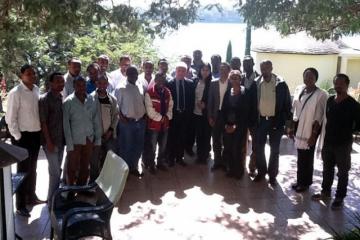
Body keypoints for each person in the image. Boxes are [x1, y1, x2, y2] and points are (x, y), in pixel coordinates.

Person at [312, 74, 360, 210]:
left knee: (343, 172)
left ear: (347, 85)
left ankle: (340, 197)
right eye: (336, 83)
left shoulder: (353, 104)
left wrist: (348, 131)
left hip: (343, 144)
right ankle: (325, 192)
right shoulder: (330, 100)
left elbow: (358, 125)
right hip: (328, 142)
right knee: (327, 169)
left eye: (341, 83)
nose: (338, 85)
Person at [6, 64, 44, 217]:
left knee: (33, 169)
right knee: (22, 171)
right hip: (22, 137)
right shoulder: (16, 93)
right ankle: (20, 205)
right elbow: (10, 118)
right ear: (21, 76)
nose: (32, 75)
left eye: (33, 73)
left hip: (35, 135)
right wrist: (18, 137)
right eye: (28, 73)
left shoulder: (36, 89)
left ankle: (31, 197)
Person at [253, 60, 291, 185]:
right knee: (259, 148)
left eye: (266, 68)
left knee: (275, 150)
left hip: (276, 121)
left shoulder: (281, 83)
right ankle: (261, 172)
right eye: (262, 68)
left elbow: (287, 104)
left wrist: (286, 123)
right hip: (261, 121)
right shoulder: (257, 82)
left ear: (271, 68)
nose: (264, 71)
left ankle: (272, 175)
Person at [290, 68, 327, 192]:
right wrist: (291, 127)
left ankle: (305, 183)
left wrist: (313, 135)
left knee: (307, 157)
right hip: (299, 127)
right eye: (306, 76)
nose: (308, 79)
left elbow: (319, 116)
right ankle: (300, 180)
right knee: (300, 156)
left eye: (311, 77)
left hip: (311, 130)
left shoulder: (321, 94)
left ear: (316, 78)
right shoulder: (300, 89)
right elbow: (295, 109)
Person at [63, 77, 101, 186]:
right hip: (75, 140)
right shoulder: (68, 102)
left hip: (88, 139)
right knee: (72, 167)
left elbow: (96, 120)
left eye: (83, 85)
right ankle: (70, 190)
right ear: (74, 86)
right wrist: (69, 145)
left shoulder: (91, 100)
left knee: (85, 166)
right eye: (78, 85)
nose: (81, 88)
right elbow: (66, 125)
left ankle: (81, 188)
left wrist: (97, 139)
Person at [39, 72, 65, 206]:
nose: (61, 83)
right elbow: (43, 122)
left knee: (56, 170)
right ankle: (53, 202)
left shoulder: (61, 97)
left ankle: (53, 197)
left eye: (62, 81)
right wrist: (48, 142)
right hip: (51, 142)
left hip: (61, 141)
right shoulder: (44, 99)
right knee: (55, 173)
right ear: (51, 83)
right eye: (58, 81)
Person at [222, 70, 254, 179]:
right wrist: (226, 125)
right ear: (230, 80)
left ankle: (239, 171)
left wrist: (236, 125)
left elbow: (246, 111)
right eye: (232, 78)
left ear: (240, 80)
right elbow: (224, 110)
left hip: (240, 126)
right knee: (229, 148)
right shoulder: (227, 92)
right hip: (228, 125)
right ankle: (231, 169)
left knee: (237, 149)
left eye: (237, 78)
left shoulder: (246, 93)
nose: (235, 80)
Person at [114, 66, 146, 177]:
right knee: (126, 147)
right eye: (131, 74)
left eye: (136, 74)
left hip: (140, 122)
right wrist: (121, 118)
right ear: (127, 74)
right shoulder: (120, 87)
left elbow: (143, 102)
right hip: (127, 123)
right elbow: (115, 105)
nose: (134, 76)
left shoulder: (140, 85)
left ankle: (133, 168)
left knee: (138, 146)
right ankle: (124, 172)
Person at [90, 75, 119, 181]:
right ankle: (93, 182)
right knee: (94, 160)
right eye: (100, 83)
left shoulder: (112, 99)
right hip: (95, 137)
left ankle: (107, 180)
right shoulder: (90, 99)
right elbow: (88, 118)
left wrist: (111, 130)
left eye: (104, 83)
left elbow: (116, 116)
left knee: (110, 159)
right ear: (96, 84)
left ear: (107, 84)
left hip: (109, 135)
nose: (102, 86)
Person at [143, 73, 173, 173]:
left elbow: (170, 106)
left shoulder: (167, 92)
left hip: (165, 124)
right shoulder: (149, 93)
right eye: (159, 80)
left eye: (163, 80)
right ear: (155, 80)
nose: (161, 82)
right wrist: (161, 118)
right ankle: (151, 165)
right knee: (152, 146)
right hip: (153, 125)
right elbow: (149, 110)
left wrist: (167, 116)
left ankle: (160, 163)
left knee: (163, 145)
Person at [166, 62, 195, 167]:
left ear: (186, 72)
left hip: (185, 115)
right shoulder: (169, 83)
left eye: (183, 71)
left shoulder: (190, 84)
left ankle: (180, 158)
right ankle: (170, 158)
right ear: (176, 71)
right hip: (173, 115)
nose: (181, 72)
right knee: (172, 137)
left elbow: (192, 101)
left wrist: (189, 115)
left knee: (182, 137)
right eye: (179, 70)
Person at [207, 62, 231, 171]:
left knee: (227, 140)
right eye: (221, 69)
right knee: (216, 140)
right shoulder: (213, 83)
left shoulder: (232, 83)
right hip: (216, 115)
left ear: (228, 71)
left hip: (227, 116)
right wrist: (210, 117)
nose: (223, 71)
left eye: (225, 69)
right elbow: (210, 101)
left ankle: (225, 162)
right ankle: (217, 162)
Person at [241, 56, 259, 176]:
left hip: (254, 117)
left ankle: (252, 166)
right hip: (241, 117)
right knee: (241, 143)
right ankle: (241, 165)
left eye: (248, 63)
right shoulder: (240, 78)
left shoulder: (258, 79)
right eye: (244, 63)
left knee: (256, 144)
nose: (246, 65)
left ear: (253, 63)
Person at [193, 63, 212, 164]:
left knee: (206, 135)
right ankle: (199, 155)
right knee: (198, 136)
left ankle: (204, 157)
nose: (205, 72)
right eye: (203, 70)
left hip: (206, 113)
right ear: (200, 70)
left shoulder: (212, 83)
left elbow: (213, 98)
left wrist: (206, 105)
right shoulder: (195, 81)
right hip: (196, 113)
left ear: (210, 71)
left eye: (207, 70)